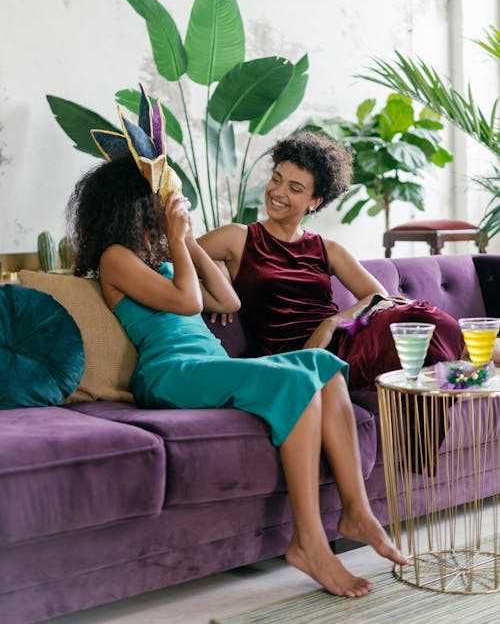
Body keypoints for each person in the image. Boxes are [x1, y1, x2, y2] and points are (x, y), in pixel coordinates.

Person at [66, 152, 407, 600]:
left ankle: (356, 510)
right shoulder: (116, 259)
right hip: (171, 373)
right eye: (159, 204)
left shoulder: (164, 261)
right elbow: (190, 302)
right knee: (296, 378)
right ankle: (308, 542)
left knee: (325, 367)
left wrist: (184, 243)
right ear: (130, 208)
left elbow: (228, 301)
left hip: (205, 367)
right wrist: (176, 239)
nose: (165, 212)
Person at [198, 132, 465, 387]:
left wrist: (332, 323)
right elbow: (172, 256)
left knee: (420, 319)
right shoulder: (237, 237)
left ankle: (477, 360)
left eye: (294, 188)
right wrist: (219, 272)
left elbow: (378, 297)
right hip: (299, 358)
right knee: (418, 337)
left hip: (344, 341)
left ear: (314, 201)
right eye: (276, 179)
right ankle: (478, 359)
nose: (278, 192)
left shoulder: (327, 249)